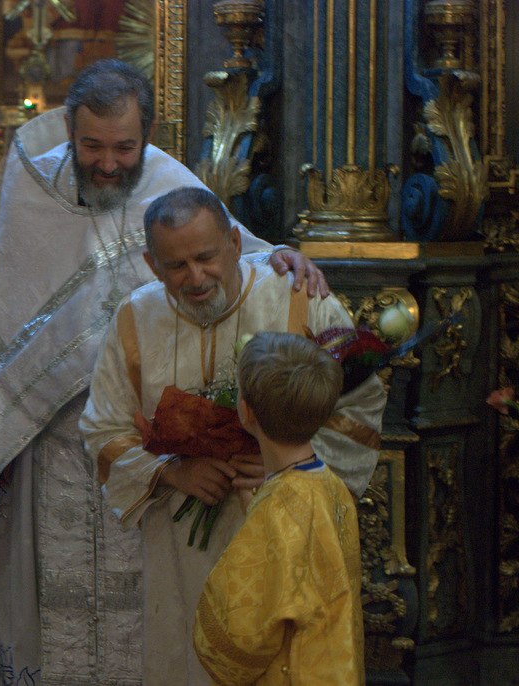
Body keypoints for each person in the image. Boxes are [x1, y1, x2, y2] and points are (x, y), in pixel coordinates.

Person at [0, 59, 328, 685]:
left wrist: (284, 254)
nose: (108, 164)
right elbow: (7, 318)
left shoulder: (169, 181)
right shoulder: (31, 191)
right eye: (92, 146)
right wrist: (5, 430)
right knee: (64, 611)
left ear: (147, 133)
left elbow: (234, 250)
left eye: (124, 147)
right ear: (69, 131)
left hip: (154, 448)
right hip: (55, 444)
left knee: (149, 615)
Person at [79, 187, 385, 685]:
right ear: (152, 266)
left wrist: (286, 462)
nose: (196, 278)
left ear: (236, 245)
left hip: (287, 534)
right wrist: (172, 471)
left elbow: (361, 405)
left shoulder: (299, 297)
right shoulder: (135, 319)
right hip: (179, 543)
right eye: (176, 266)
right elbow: (103, 427)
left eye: (206, 258)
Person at [193, 331, 365, 685]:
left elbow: (237, 641)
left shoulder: (276, 510)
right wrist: (257, 510)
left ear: (245, 411)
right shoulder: (333, 486)